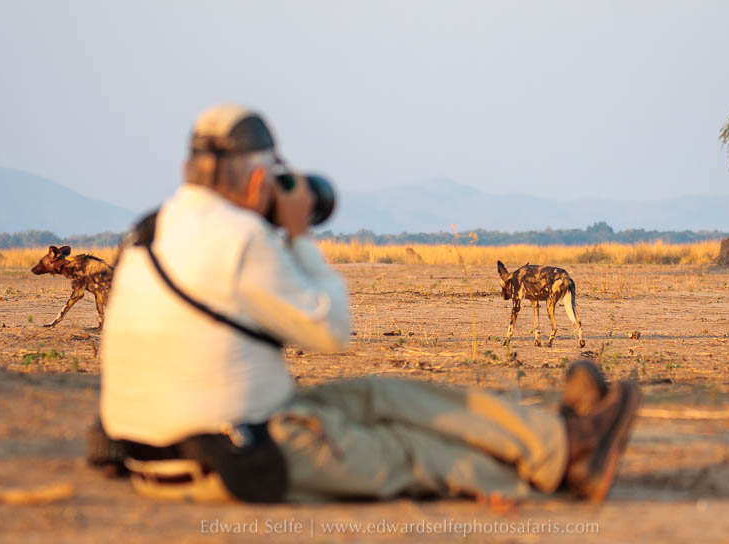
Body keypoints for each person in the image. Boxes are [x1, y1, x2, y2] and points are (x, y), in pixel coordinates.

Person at [93, 104, 640, 504]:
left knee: (384, 394)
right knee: (401, 442)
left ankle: (552, 439)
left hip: (158, 456)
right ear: (260, 176)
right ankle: (566, 455)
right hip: (239, 458)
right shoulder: (241, 239)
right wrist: (297, 233)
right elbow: (333, 331)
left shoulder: (147, 232)